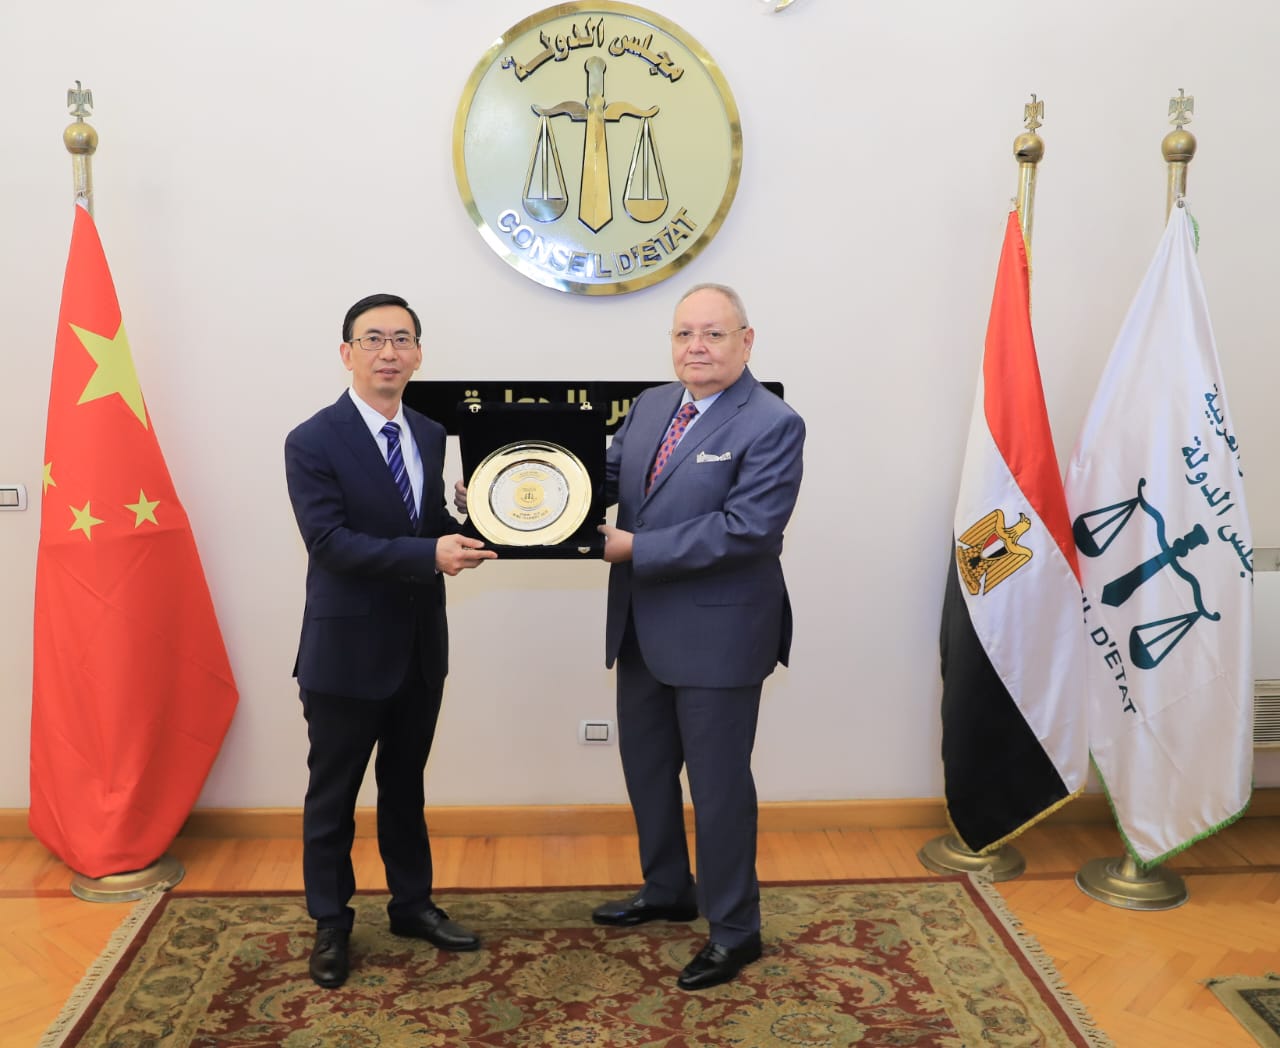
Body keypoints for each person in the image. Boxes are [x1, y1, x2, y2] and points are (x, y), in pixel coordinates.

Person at [591, 283, 806, 991]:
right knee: (647, 772)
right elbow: (600, 480)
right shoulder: (653, 405)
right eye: (684, 334)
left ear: (747, 341)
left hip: (721, 636)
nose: (697, 347)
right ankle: (667, 890)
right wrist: (509, 491)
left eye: (713, 333)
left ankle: (736, 930)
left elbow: (748, 529)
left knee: (717, 791)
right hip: (641, 628)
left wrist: (637, 550)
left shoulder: (772, 423)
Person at [284, 292, 497, 989]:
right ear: (347, 353)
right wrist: (429, 552)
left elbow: (421, 524)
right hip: (345, 654)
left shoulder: (429, 432)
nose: (388, 352)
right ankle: (331, 923)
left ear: (419, 354)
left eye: (402, 339)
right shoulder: (312, 440)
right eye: (373, 339)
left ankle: (412, 905)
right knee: (333, 797)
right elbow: (330, 543)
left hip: (419, 648)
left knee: (406, 788)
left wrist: (478, 515)